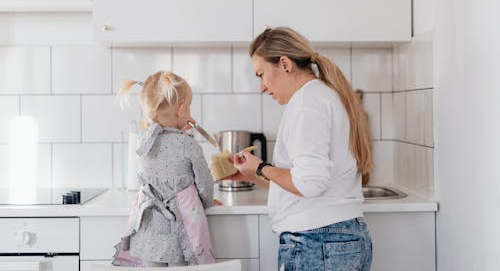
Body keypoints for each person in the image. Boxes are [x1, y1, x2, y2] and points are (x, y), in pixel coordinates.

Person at [231, 27, 374, 271]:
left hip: (317, 242)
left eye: (261, 74)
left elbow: (309, 184)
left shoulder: (307, 103)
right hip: (333, 240)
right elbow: (303, 184)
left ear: (285, 64)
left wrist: (262, 167)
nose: (262, 87)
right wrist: (254, 174)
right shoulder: (323, 96)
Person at [112, 71, 216, 267]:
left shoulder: (143, 141)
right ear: (182, 109)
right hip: (181, 232)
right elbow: (204, 183)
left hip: (149, 233)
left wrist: (175, 131)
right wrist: (207, 202)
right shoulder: (188, 144)